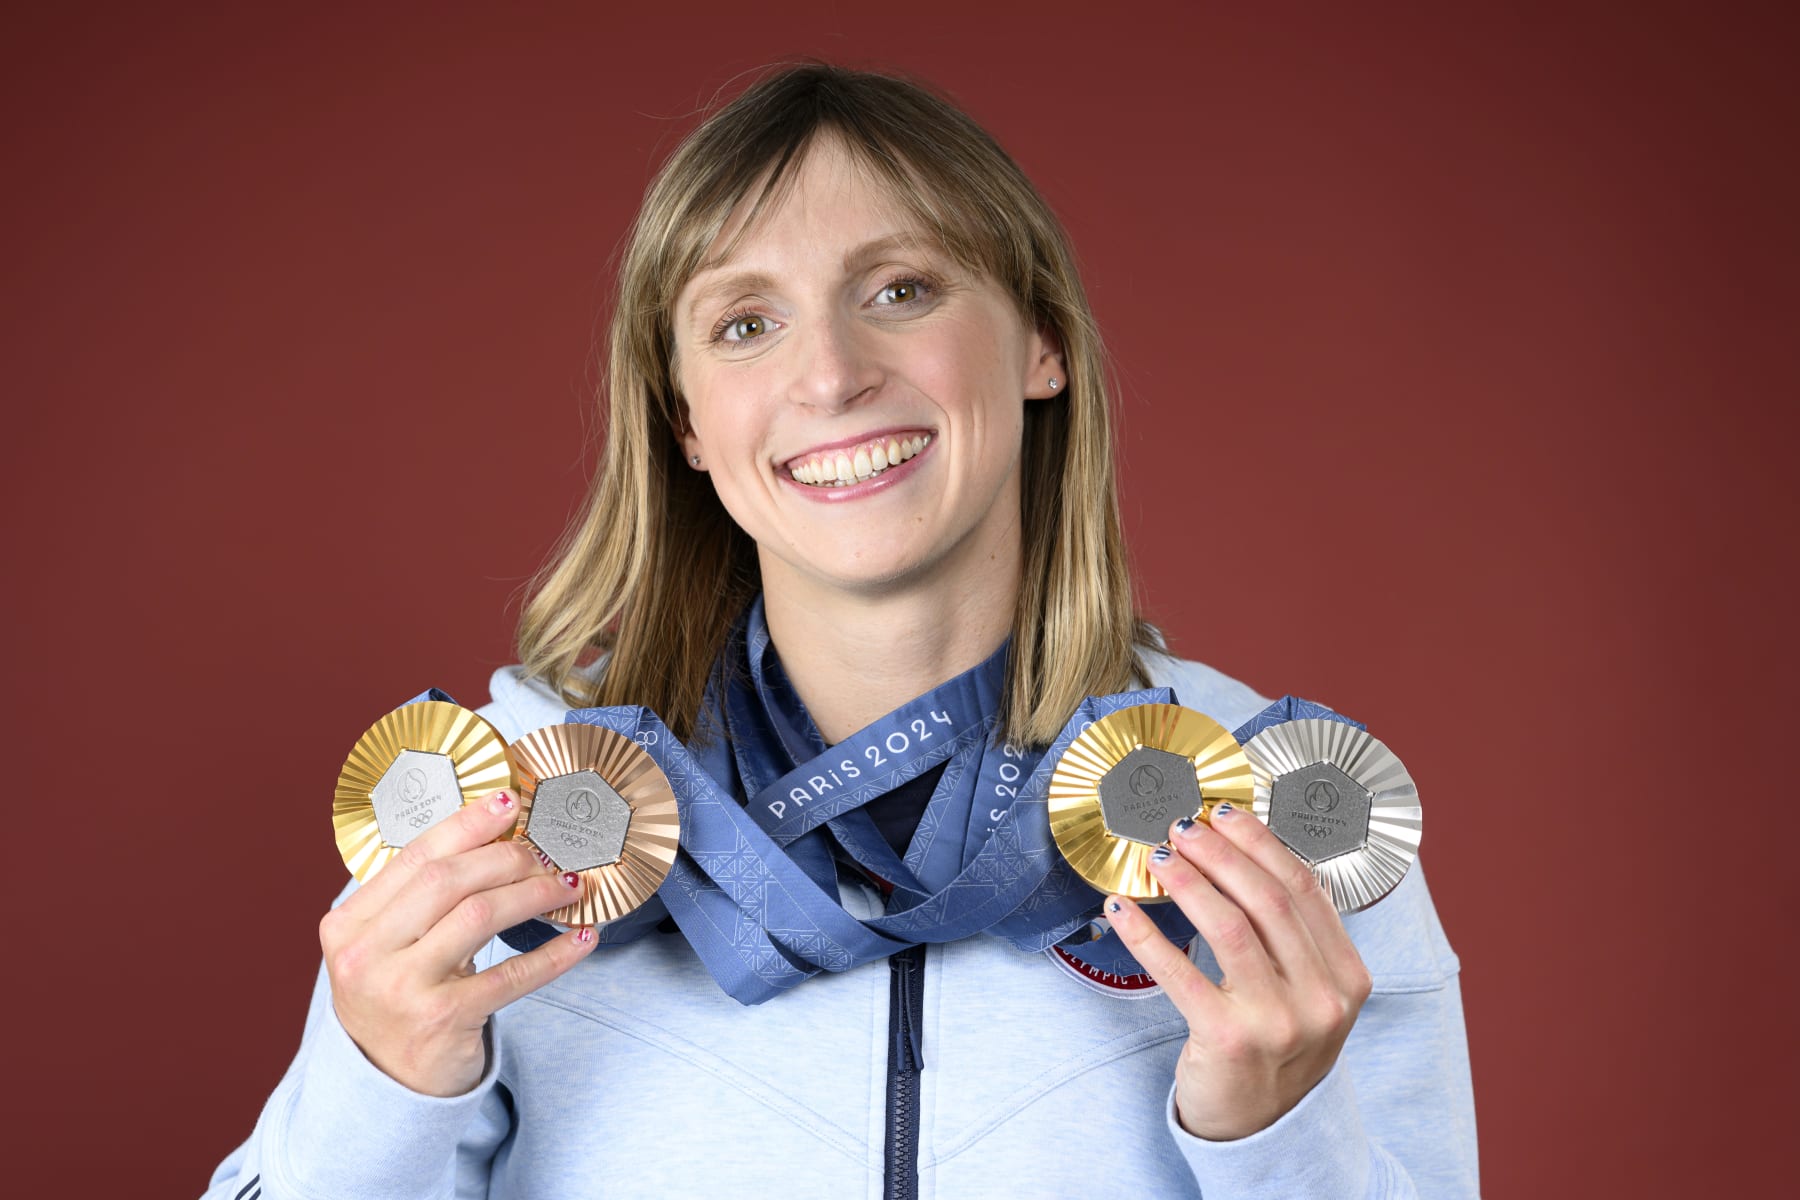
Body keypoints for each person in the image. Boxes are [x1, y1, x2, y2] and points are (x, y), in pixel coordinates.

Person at [205, 64, 1476, 1198]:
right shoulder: (505, 814)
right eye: (745, 324)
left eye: (902, 289)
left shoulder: (1276, 808)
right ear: (688, 425)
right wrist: (376, 1082)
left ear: (1042, 343)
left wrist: (1279, 1145)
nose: (830, 374)